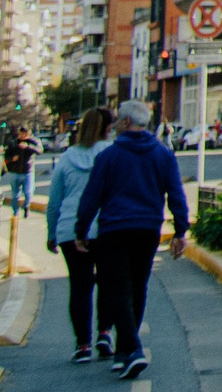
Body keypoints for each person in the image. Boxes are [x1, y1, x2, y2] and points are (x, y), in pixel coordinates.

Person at [75, 99, 189, 380]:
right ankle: (125, 352)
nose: (113, 126)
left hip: (114, 230)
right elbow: (176, 193)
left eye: (117, 121)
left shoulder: (109, 156)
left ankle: (133, 349)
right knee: (138, 288)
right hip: (148, 229)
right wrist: (180, 231)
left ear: (126, 122)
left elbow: (92, 197)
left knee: (117, 290)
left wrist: (81, 230)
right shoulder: (163, 155)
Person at [49, 108, 114, 362]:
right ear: (106, 129)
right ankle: (105, 332)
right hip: (105, 227)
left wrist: (52, 232)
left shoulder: (66, 158)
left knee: (79, 286)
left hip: (70, 227)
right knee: (108, 282)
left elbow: (55, 200)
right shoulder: (110, 154)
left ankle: (82, 345)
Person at [3, 124, 33, 214]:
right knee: (15, 195)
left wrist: (27, 147)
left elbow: (39, 151)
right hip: (14, 172)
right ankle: (15, 212)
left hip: (27, 172)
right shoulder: (13, 143)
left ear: (28, 134)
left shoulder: (32, 142)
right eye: (21, 133)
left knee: (28, 193)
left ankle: (26, 206)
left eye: (25, 134)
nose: (23, 135)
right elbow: (6, 156)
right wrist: (12, 159)